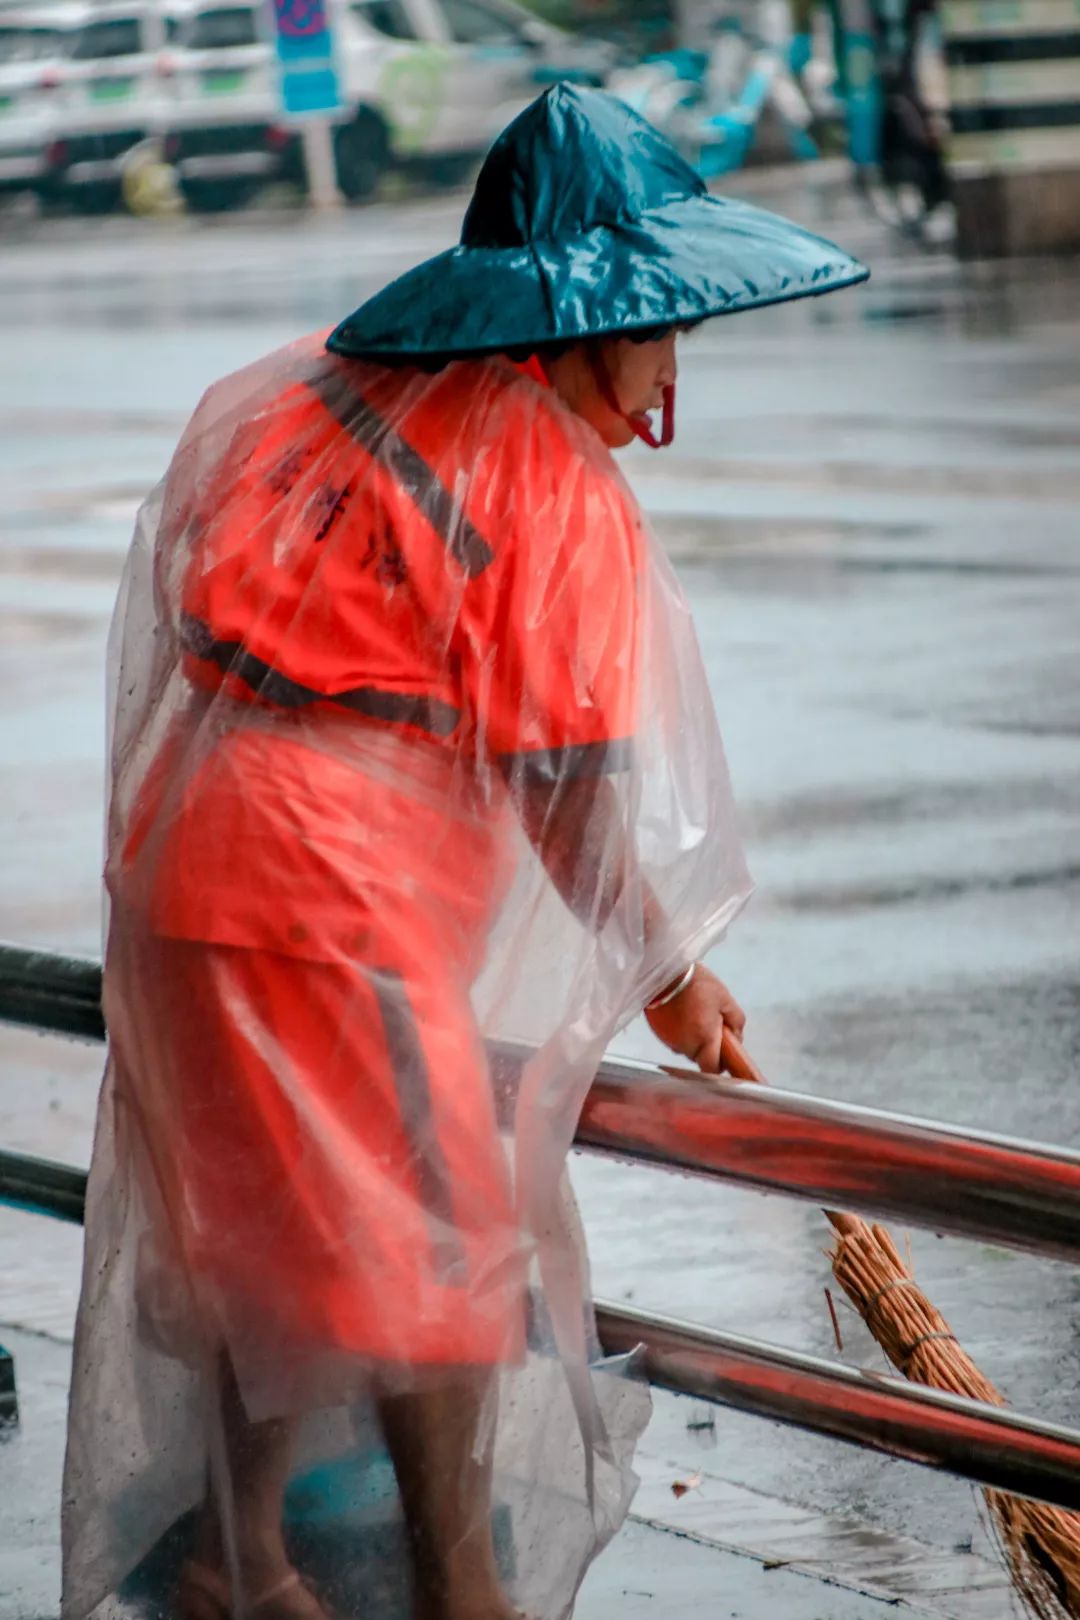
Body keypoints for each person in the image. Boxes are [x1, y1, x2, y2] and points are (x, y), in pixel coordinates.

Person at [62, 84, 867, 1620]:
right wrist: (671, 974)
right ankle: (454, 1591)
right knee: (439, 1258)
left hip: (186, 872)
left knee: (256, 1244)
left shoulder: (297, 396)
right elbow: (564, 786)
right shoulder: (549, 486)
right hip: (332, 903)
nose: (666, 372)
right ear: (585, 317)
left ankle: (244, 1553)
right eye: (658, 330)